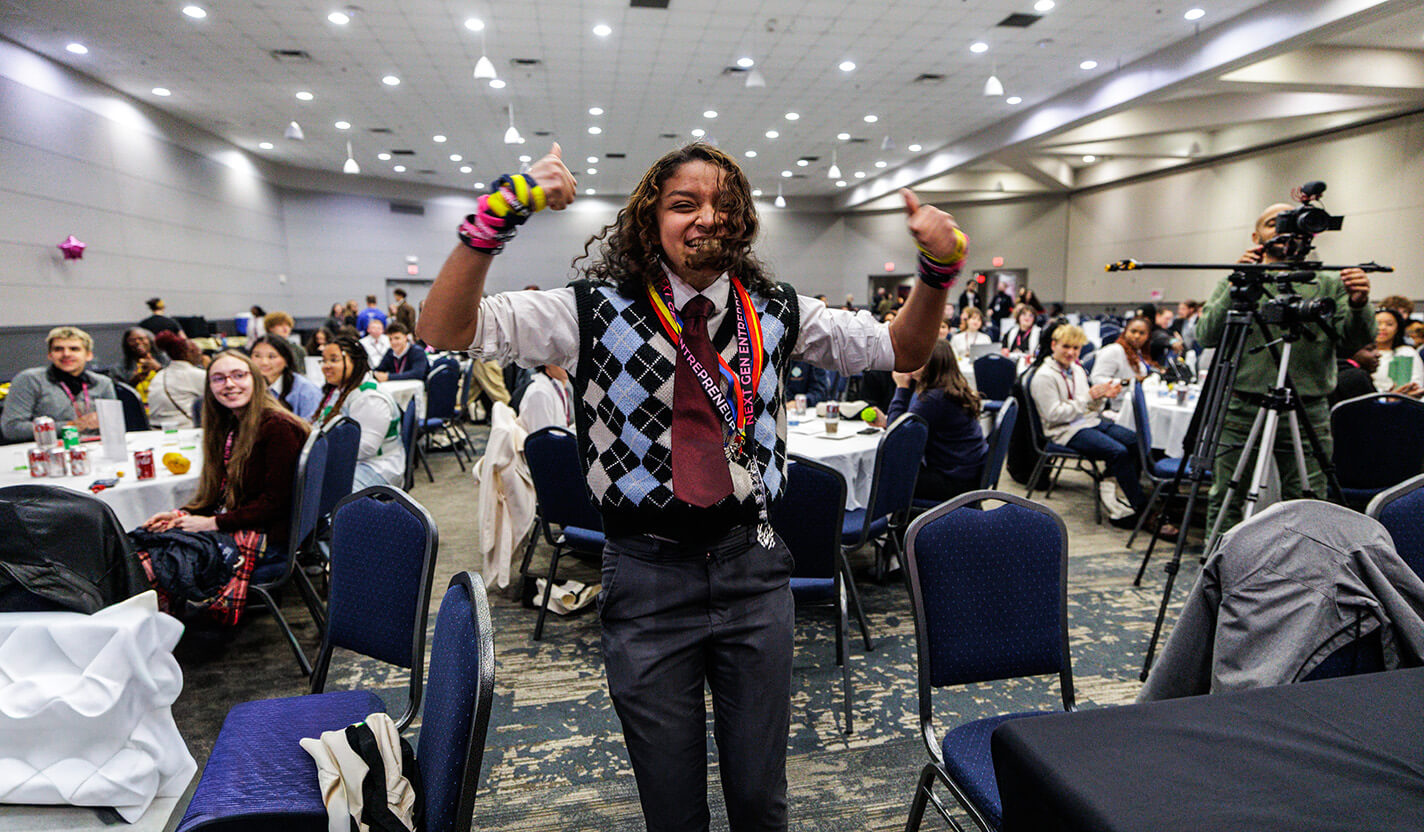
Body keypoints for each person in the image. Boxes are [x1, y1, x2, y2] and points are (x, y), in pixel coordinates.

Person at [417, 141, 961, 832]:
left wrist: (938, 270)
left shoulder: (777, 311)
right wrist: (501, 210)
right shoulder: (590, 311)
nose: (708, 216)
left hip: (753, 570)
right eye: (685, 204)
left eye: (725, 205)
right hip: (646, 578)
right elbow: (442, 327)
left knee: (761, 799)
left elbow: (902, 350)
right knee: (672, 808)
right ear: (650, 221)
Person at [1198, 202, 1375, 535]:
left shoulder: (1328, 282)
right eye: (1273, 224)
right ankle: (1217, 571)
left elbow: (1354, 342)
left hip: (1308, 408)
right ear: (1256, 235)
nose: (1283, 232)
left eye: (1293, 225)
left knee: (1307, 500)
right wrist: (1239, 285)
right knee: (1227, 497)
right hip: (1241, 407)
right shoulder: (1240, 279)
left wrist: (1359, 305)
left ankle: (1304, 571)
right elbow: (1207, 334)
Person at [140, 351, 310, 566]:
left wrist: (213, 523)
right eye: (219, 379)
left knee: (154, 563)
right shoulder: (231, 425)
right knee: (143, 543)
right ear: (209, 388)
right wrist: (180, 514)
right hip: (238, 523)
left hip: (267, 538)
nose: (229, 384)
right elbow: (218, 494)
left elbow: (275, 503)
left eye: (239, 375)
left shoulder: (278, 427)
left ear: (255, 380)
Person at [1029, 324, 1154, 530]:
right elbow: (1053, 415)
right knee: (1118, 452)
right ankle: (1139, 507)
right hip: (1064, 430)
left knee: (1134, 440)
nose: (1071, 352)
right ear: (1053, 345)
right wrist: (1089, 396)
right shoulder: (1044, 376)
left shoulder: (1077, 370)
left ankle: (1111, 487)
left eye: (1076, 348)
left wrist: (1101, 396)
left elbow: (1088, 407)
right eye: (1066, 346)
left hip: (1087, 421)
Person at [884, 340, 987, 501]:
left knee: (884, 475)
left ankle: (885, 523)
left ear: (929, 365)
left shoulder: (934, 398)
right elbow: (912, 424)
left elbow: (896, 438)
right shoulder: (951, 388)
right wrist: (887, 420)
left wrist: (901, 387)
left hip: (953, 481)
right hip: (968, 473)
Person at [315, 335, 405, 490]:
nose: (326, 366)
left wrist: (320, 451)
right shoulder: (340, 389)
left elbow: (366, 448)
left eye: (334, 360)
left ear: (355, 362)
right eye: (324, 360)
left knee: (323, 494)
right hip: (352, 462)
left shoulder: (370, 397)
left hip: (378, 466)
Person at [1, 326, 118, 442]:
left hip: (94, 447)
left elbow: (114, 425)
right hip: (46, 450)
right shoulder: (29, 380)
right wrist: (70, 426)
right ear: (50, 355)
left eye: (74, 349)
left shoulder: (103, 383)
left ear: (88, 355)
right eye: (58, 349)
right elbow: (11, 428)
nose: (66, 354)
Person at [251, 334, 323, 420]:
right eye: (257, 356)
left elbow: (313, 428)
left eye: (272, 357)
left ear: (286, 360)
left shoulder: (306, 390)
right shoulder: (247, 386)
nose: (264, 362)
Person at [146, 331, 207, 429]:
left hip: (156, 429)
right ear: (187, 354)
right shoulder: (195, 374)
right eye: (197, 349)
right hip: (185, 428)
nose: (201, 353)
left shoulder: (160, 374)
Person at [1090, 315, 1155, 394]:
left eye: (1142, 333)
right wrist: (1126, 382)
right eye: (1133, 331)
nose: (1137, 336)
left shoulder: (1139, 353)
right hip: (1117, 403)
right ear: (1125, 332)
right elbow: (1096, 379)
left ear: (1147, 336)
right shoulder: (1114, 350)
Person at [1370, 308, 1424, 396]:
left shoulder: (1406, 352)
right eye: (1378, 323)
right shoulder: (1360, 353)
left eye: (1389, 324)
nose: (1383, 328)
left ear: (1397, 328)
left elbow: (1416, 383)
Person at [110, 326, 169, 402]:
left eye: (141, 339)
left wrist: (159, 368)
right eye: (132, 340)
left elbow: (176, 382)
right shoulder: (118, 369)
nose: (137, 342)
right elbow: (118, 393)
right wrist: (134, 380)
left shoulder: (164, 360)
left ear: (150, 340)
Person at [517, 364, 575, 433]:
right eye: (560, 359)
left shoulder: (557, 386)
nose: (567, 365)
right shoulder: (539, 392)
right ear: (546, 362)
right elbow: (543, 440)